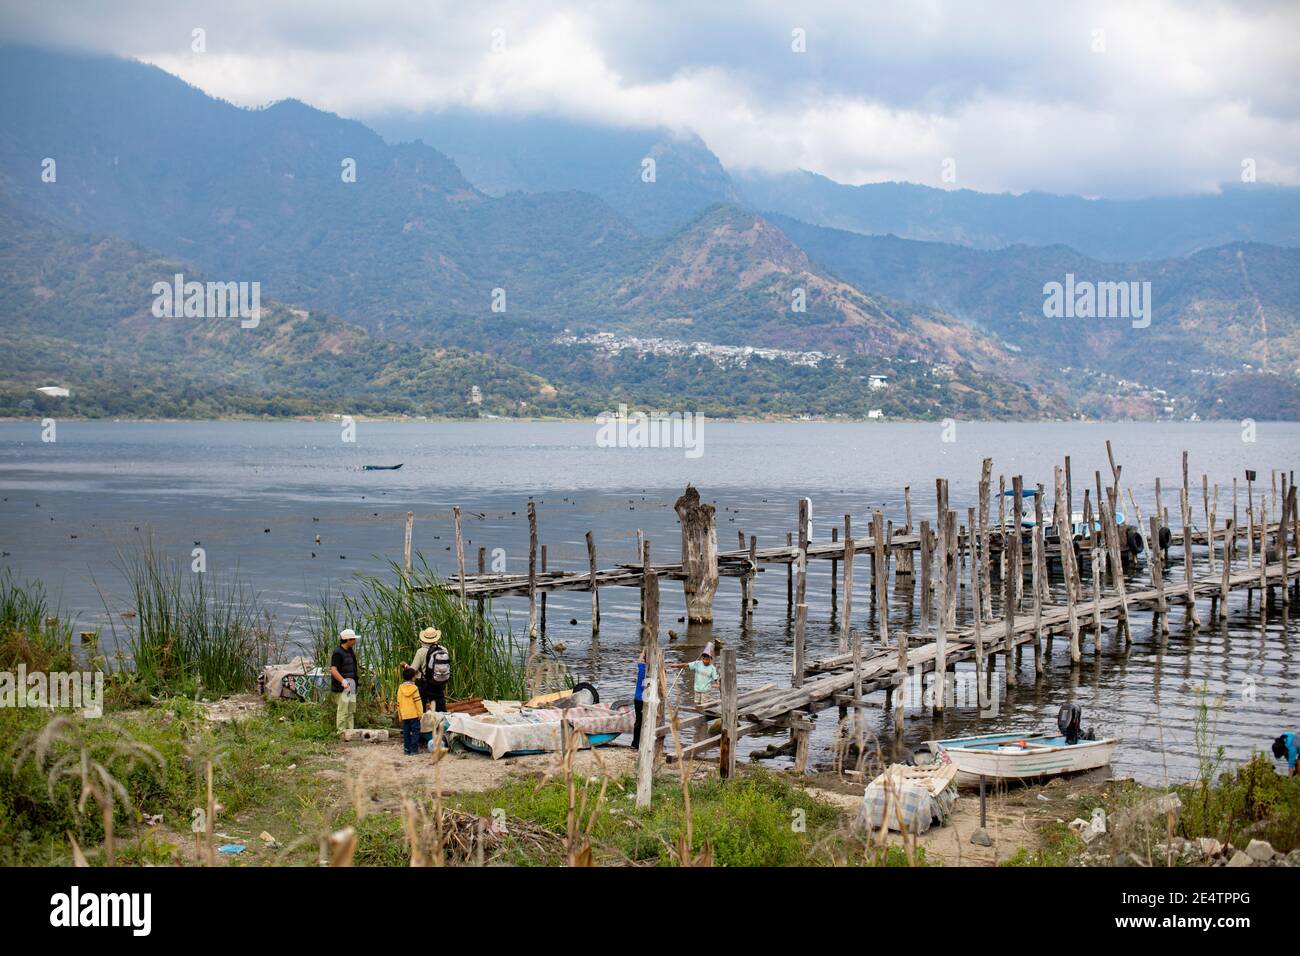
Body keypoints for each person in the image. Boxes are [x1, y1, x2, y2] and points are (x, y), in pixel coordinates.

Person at [404, 626, 451, 714]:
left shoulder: (421, 651)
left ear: (424, 639)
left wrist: (405, 665)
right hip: (438, 681)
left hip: (423, 683)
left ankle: (420, 725)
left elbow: (413, 670)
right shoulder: (443, 649)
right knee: (440, 709)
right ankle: (441, 724)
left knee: (420, 707)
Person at [329, 628, 361, 732]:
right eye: (353, 639)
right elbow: (333, 670)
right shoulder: (338, 653)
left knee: (351, 710)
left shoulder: (350, 651)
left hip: (351, 685)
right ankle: (341, 732)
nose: (355, 641)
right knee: (343, 710)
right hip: (342, 687)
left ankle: (350, 731)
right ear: (348, 640)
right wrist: (343, 681)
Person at [397, 666, 423, 756]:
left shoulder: (400, 688)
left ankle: (406, 749)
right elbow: (418, 702)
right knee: (416, 731)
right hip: (414, 715)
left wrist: (400, 715)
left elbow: (398, 702)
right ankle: (414, 750)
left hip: (404, 715)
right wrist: (420, 713)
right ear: (413, 677)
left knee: (406, 732)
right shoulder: (415, 688)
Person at [630, 650, 647, 748]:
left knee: (639, 721)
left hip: (639, 698)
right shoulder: (647, 669)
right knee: (641, 721)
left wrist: (644, 651)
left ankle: (636, 743)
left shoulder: (641, 666)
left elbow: (639, 660)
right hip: (642, 699)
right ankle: (637, 743)